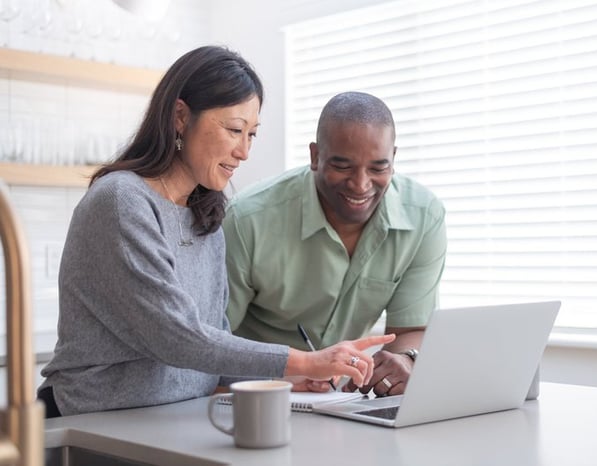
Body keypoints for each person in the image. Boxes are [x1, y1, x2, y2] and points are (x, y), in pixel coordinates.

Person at [37, 47, 393, 417]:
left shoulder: (204, 217)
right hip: (93, 424)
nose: (244, 152)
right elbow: (176, 338)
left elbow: (211, 351)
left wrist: (290, 381)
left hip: (173, 421)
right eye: (234, 130)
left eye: (252, 134)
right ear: (180, 117)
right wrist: (304, 362)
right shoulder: (121, 201)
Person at [223, 91, 446, 396]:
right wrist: (290, 372)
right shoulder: (247, 219)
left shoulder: (424, 217)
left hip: (338, 404)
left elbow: (411, 329)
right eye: (343, 167)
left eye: (378, 168)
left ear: (394, 157)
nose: (361, 184)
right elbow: (210, 341)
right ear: (315, 156)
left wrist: (405, 360)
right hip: (255, 396)